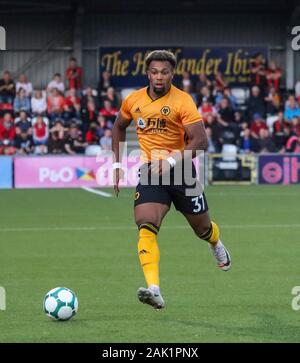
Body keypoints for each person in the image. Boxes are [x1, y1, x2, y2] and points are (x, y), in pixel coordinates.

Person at [112, 50, 231, 310]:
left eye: (164, 72)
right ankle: (154, 289)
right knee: (146, 225)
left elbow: (201, 141)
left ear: (172, 74)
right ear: (147, 73)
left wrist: (171, 161)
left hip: (182, 171)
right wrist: (119, 164)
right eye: (154, 72)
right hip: (151, 170)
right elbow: (119, 126)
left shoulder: (182, 101)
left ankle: (216, 242)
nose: (159, 77)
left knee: (203, 229)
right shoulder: (133, 100)